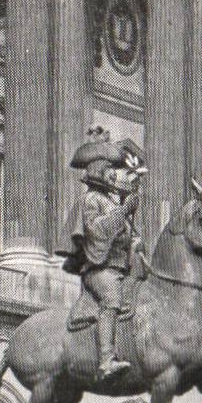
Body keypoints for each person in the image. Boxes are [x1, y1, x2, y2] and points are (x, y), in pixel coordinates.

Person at [58, 127, 147, 381]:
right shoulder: (92, 200)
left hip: (120, 268)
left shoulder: (110, 202)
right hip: (99, 270)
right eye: (111, 171)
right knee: (111, 299)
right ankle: (106, 360)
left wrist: (136, 242)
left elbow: (127, 237)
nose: (115, 176)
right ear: (99, 172)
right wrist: (123, 211)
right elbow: (97, 231)